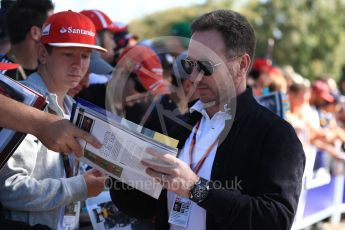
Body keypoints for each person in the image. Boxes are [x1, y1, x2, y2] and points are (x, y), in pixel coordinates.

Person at [110, 9, 305, 230]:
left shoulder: (275, 134)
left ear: (242, 65)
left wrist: (196, 188)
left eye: (205, 66)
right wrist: (118, 168)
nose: (194, 77)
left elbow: (276, 220)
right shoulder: (178, 124)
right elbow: (144, 208)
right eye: (189, 65)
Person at [0, 10, 107, 229]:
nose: (78, 64)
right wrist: (79, 187)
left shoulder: (71, 108)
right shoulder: (23, 104)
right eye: (68, 54)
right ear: (42, 54)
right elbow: (9, 190)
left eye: (86, 56)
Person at [0, 0, 54, 80]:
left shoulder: (45, 77)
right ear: (35, 33)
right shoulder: (3, 78)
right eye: (51, 27)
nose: (55, 34)